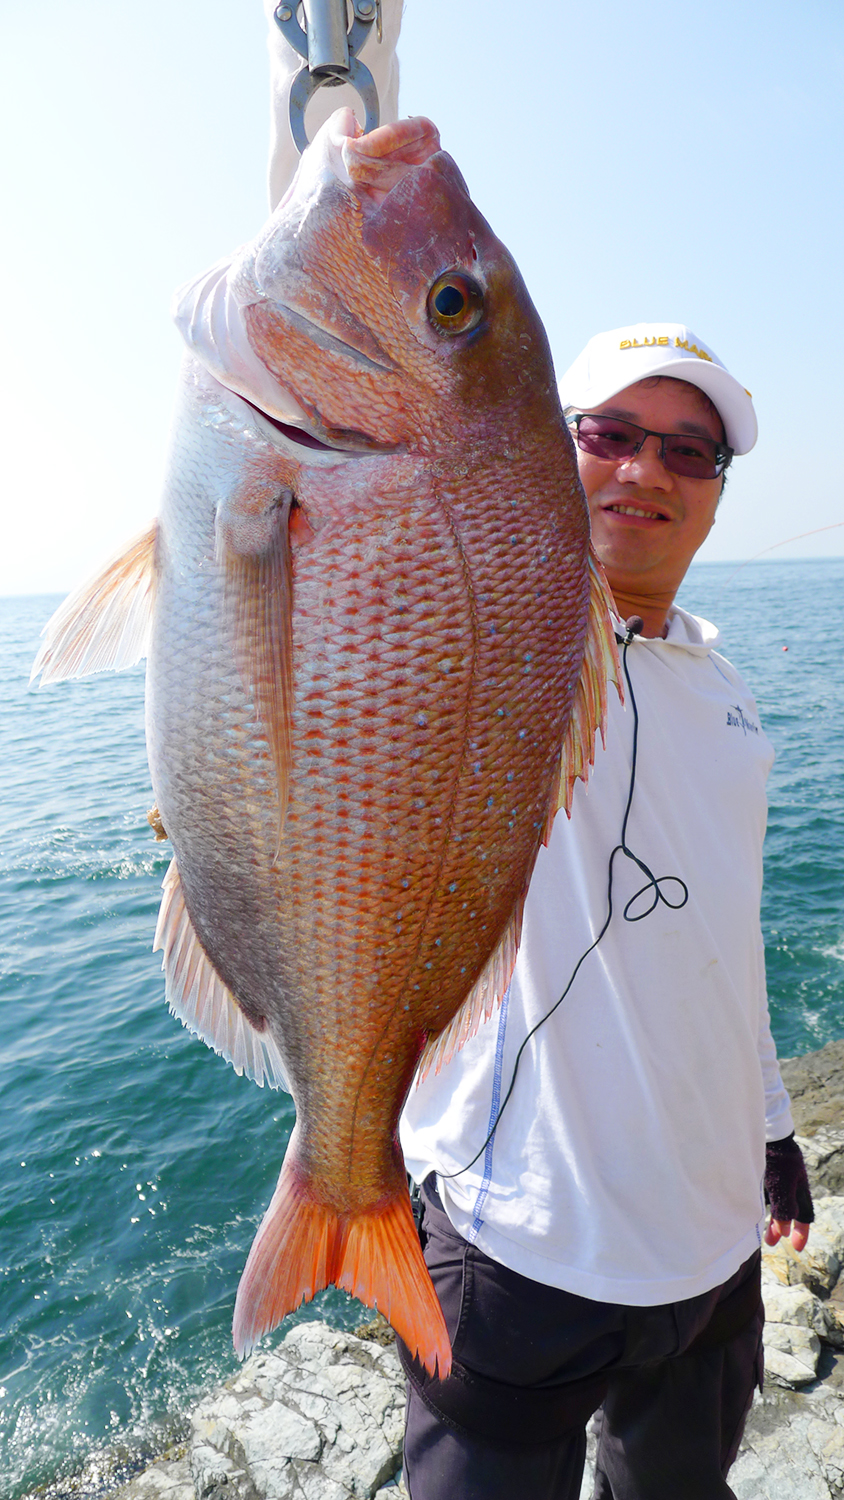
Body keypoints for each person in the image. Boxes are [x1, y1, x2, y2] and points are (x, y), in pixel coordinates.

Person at [252, 9, 814, 1495]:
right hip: (517, 1255)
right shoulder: (505, 639)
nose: (646, 469)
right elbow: (342, 405)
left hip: (707, 1269)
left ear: (715, 495)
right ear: (549, 445)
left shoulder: (727, 694)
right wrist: (337, 114)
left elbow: (725, 947)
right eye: (612, 431)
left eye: (690, 451)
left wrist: (771, 1135)